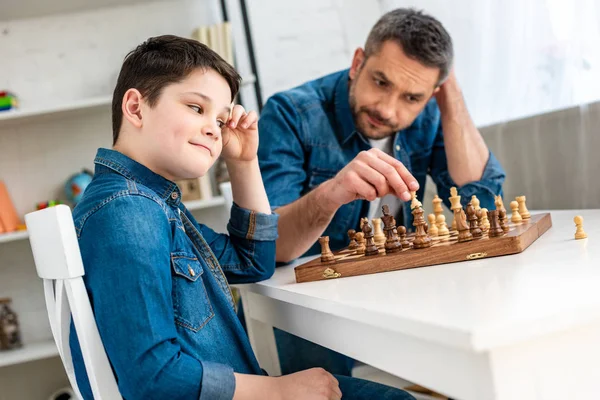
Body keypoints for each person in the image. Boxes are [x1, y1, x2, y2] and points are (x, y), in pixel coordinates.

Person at [68, 35, 414, 400]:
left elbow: (255, 262)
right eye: (196, 108)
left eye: (220, 119)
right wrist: (279, 391)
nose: (213, 129)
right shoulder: (127, 211)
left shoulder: (154, 205)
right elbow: (153, 379)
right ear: (136, 107)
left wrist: (245, 161)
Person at [257, 8, 506, 376]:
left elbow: (480, 207)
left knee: (481, 360)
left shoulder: (430, 113)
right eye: (381, 82)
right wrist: (333, 192)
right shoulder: (291, 113)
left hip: (403, 291)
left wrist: (449, 99)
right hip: (314, 306)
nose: (388, 109)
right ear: (358, 62)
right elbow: (271, 246)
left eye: (412, 97)